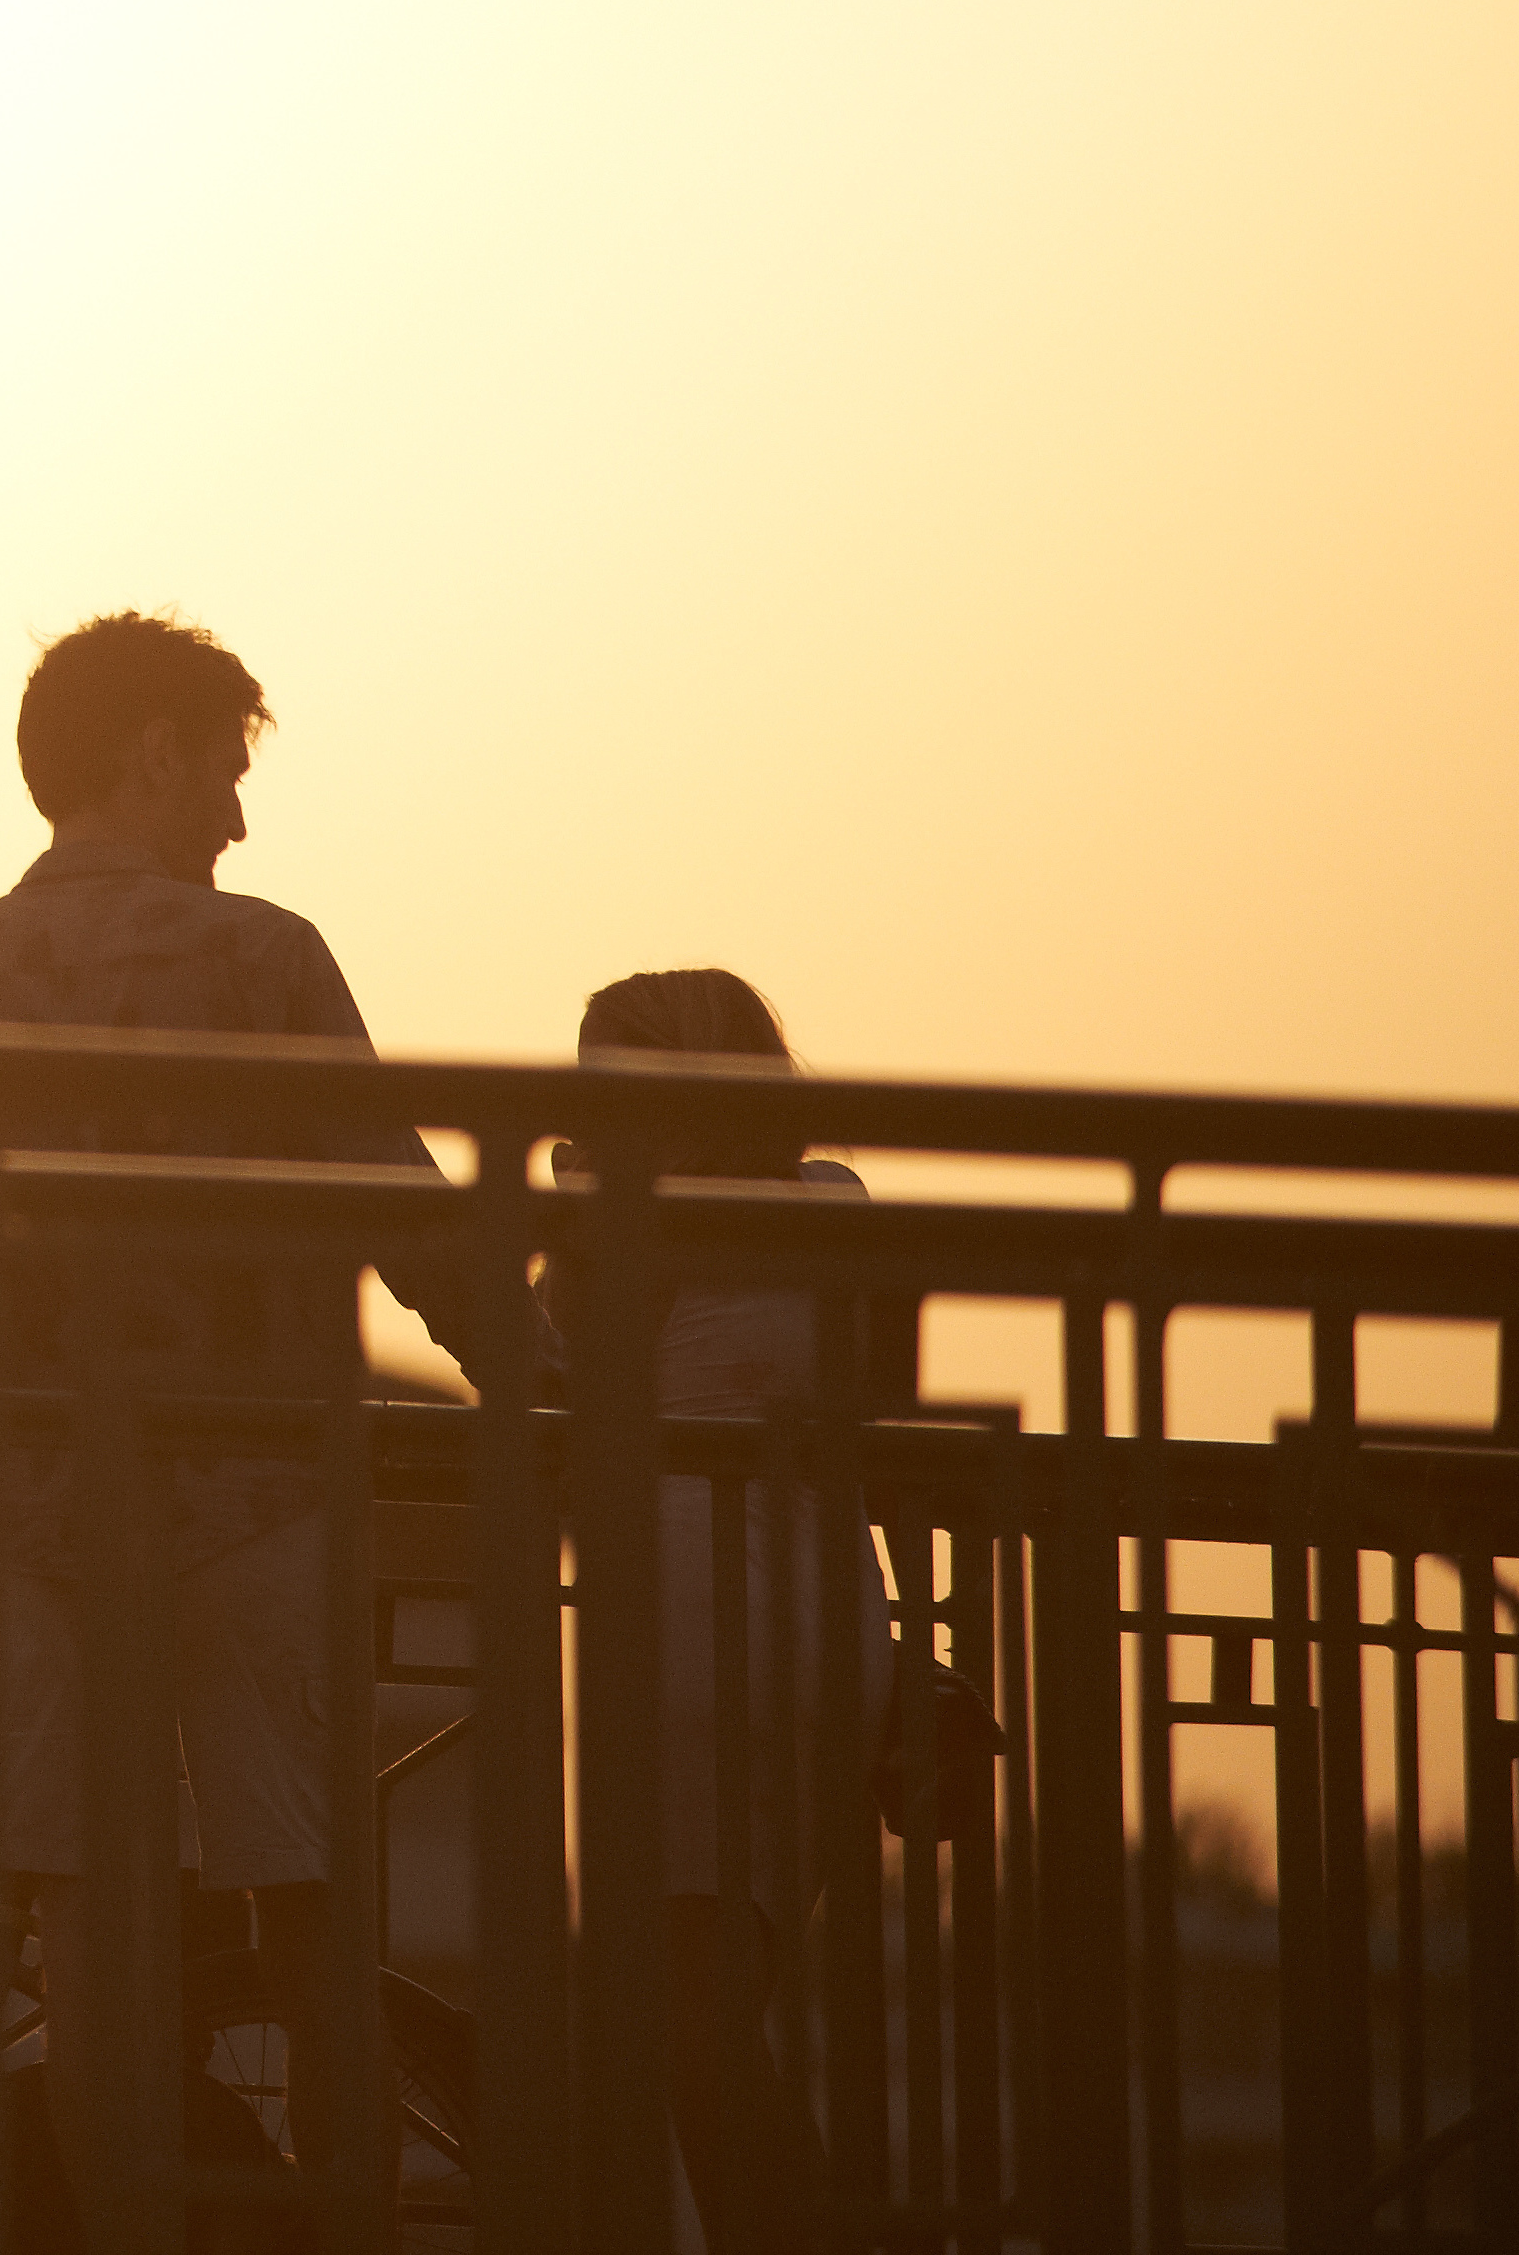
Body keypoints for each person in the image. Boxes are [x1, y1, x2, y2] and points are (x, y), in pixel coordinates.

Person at [0, 615, 511, 2225]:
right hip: (258, 1503)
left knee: (82, 1935)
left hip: (30, 1519)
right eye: (228, 768)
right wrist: (548, 1379)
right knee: (314, 1921)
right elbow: (403, 1211)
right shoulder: (263, 959)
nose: (238, 818)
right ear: (159, 751)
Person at [563, 966, 875, 2255]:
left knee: (684, 2029)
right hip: (829, 1611)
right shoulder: (834, 1199)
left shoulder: (622, 1215)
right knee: (712, 2017)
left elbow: (569, 1373)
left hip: (686, 1613)